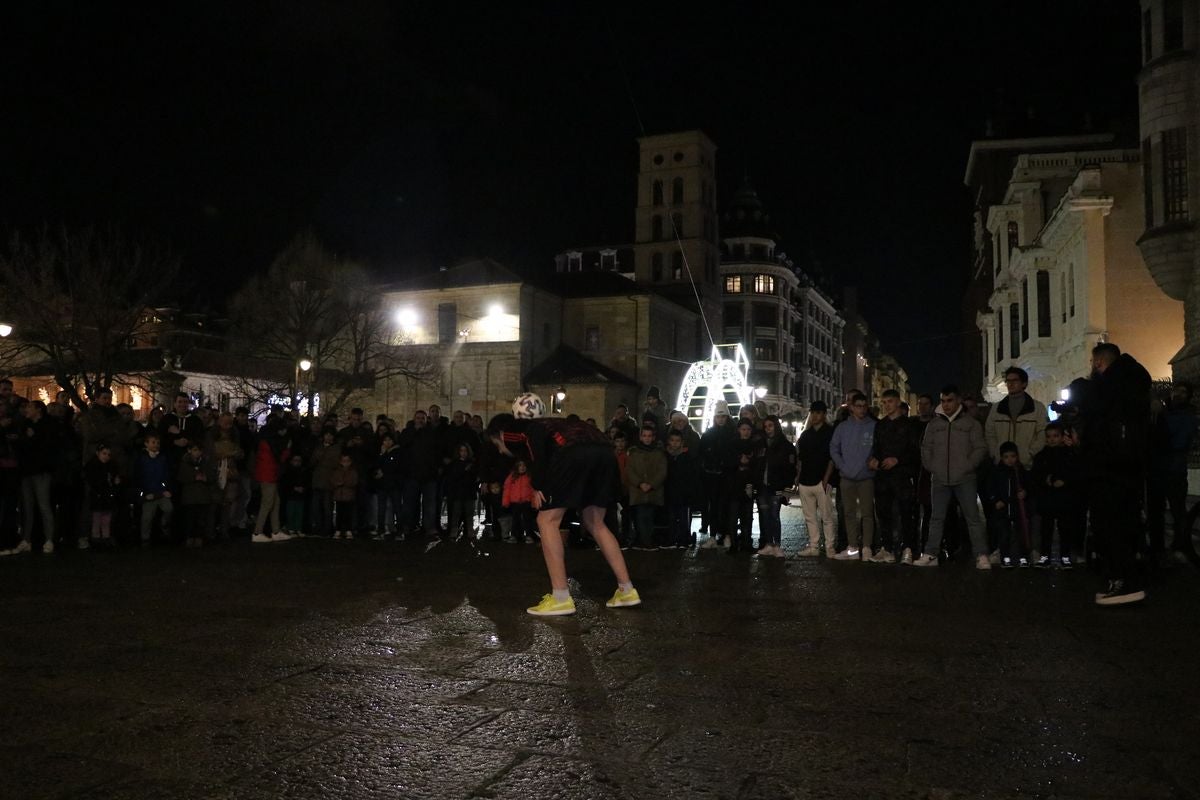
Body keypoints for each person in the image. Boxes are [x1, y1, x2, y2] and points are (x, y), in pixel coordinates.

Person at [487, 393, 640, 616]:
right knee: (595, 522)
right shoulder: (555, 423)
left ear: (499, 434)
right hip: (603, 452)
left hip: (573, 453)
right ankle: (627, 590)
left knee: (546, 520)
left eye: (497, 445)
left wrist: (539, 486)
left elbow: (534, 441)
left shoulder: (514, 430)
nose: (501, 450)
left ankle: (560, 597)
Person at [1081, 343, 1152, 605]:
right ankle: (1127, 577)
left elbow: (1099, 423)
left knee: (1112, 526)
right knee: (1125, 523)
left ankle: (1122, 581)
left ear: (1100, 363)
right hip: (1126, 468)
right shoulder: (1133, 384)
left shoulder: (1109, 388)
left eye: (1093, 363)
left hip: (1110, 469)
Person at [913, 386, 990, 570]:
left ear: (958, 401)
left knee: (972, 518)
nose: (946, 405)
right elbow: (926, 447)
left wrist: (967, 466)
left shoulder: (971, 424)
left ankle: (981, 555)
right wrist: (932, 467)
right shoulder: (934, 425)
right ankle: (932, 554)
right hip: (939, 478)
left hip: (965, 478)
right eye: (943, 401)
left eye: (949, 400)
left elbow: (980, 448)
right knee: (936, 518)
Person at [1147, 383, 1199, 566]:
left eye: (1184, 392)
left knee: (1177, 510)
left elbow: (1176, 440)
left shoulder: (1186, 417)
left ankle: (1179, 545)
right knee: (1156, 510)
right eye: (1177, 390)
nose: (1178, 394)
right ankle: (1158, 548)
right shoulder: (1161, 410)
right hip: (1158, 467)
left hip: (1174, 469)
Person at [869, 389, 920, 564]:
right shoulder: (880, 425)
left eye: (889, 401)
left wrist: (897, 460)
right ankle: (887, 548)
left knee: (907, 513)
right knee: (883, 514)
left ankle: (908, 549)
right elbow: (875, 447)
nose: (886, 405)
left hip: (902, 476)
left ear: (898, 402)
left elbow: (915, 451)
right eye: (883, 402)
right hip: (883, 477)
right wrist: (874, 460)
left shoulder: (909, 425)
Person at [829, 391, 876, 561]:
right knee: (848, 513)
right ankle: (853, 547)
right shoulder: (842, 427)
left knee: (867, 513)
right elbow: (834, 448)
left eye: (864, 406)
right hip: (846, 477)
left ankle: (867, 547)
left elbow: (878, 448)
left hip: (866, 476)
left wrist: (874, 461)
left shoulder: (873, 426)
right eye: (858, 406)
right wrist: (842, 465)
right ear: (851, 408)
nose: (862, 409)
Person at [1031, 421, 1082, 569]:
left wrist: (1062, 480)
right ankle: (1047, 556)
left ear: (1061, 437)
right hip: (1050, 498)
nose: (1052, 439)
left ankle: (1063, 556)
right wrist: (1049, 480)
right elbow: (1037, 475)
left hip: (1062, 498)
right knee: (1046, 530)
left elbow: (1073, 472)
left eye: (1055, 436)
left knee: (1064, 529)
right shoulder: (1042, 456)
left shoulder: (1068, 454)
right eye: (1049, 436)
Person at [795, 401, 836, 558]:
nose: (814, 416)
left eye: (818, 413)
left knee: (827, 516)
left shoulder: (830, 433)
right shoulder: (806, 434)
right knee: (810, 516)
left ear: (824, 415)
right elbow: (801, 459)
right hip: (806, 479)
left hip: (821, 480)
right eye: (813, 413)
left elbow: (831, 458)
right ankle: (814, 546)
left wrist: (826, 479)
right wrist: (798, 478)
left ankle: (830, 546)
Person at [986, 441, 1031, 568]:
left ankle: (1023, 557)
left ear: (1017, 456)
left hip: (1018, 509)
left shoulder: (1020, 471)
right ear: (1001, 458)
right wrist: (995, 500)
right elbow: (990, 487)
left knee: (1021, 533)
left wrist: (1025, 493)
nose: (1010, 460)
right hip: (1003, 510)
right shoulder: (997, 472)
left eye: (1012, 456)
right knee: (1004, 535)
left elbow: (1028, 485)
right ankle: (1005, 557)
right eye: (1006, 457)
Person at [756, 415, 795, 558]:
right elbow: (756, 465)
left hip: (776, 485)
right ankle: (768, 544)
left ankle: (777, 545)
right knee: (765, 516)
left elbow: (790, 469)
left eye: (770, 426)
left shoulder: (785, 445)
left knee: (774, 515)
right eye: (766, 427)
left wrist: (787, 488)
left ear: (776, 426)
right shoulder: (761, 444)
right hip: (763, 486)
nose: (768, 429)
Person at [698, 400, 736, 549]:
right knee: (713, 507)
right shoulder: (709, 434)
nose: (720, 419)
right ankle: (714, 535)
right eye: (718, 417)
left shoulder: (732, 434)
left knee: (725, 506)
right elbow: (702, 454)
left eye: (723, 417)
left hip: (726, 475)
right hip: (712, 476)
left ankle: (725, 534)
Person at [625, 423, 667, 550]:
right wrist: (639, 483)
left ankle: (646, 540)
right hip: (639, 490)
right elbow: (629, 470)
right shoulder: (634, 453)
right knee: (640, 516)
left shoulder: (659, 453)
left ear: (653, 437)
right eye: (644, 436)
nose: (647, 438)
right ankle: (643, 540)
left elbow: (662, 471)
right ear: (641, 437)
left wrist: (652, 484)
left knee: (649, 516)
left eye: (649, 436)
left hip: (653, 490)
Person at [663, 429, 701, 549]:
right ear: (669, 441)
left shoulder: (686, 457)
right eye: (672, 440)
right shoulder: (666, 456)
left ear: (682, 442)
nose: (674, 443)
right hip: (670, 491)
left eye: (677, 441)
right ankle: (673, 538)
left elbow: (691, 476)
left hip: (683, 493)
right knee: (672, 516)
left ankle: (684, 538)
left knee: (684, 516)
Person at [133, 433, 173, 545]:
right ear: (146, 444)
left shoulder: (162, 458)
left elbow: (166, 475)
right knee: (147, 517)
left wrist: (166, 488)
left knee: (169, 509)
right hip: (148, 493)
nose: (156, 445)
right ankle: (145, 537)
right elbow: (138, 477)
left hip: (160, 492)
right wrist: (144, 493)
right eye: (153, 442)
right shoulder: (141, 459)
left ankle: (164, 528)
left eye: (157, 443)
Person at [177, 443, 216, 547]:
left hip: (202, 496)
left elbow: (212, 476)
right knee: (190, 518)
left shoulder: (206, 462)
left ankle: (198, 537)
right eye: (195, 450)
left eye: (199, 450)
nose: (197, 452)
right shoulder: (184, 463)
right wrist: (194, 477)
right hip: (189, 496)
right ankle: (189, 537)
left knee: (201, 519)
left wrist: (205, 478)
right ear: (189, 450)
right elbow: (181, 477)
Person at [84, 444, 121, 549]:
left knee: (106, 519)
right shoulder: (92, 466)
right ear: (97, 453)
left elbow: (113, 480)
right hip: (98, 496)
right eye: (104, 453)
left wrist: (115, 482)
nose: (106, 456)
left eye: (108, 454)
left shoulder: (111, 466)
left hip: (107, 497)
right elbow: (93, 482)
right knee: (97, 519)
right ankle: (96, 540)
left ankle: (105, 538)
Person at [444, 443, 479, 542]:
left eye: (465, 451)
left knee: (469, 513)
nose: (463, 453)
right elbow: (453, 478)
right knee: (456, 513)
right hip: (458, 492)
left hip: (468, 492)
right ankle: (454, 532)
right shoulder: (455, 464)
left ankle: (469, 531)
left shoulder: (471, 464)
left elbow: (474, 477)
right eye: (461, 451)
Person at [502, 459, 536, 544]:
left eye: (524, 465)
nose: (522, 467)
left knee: (527, 520)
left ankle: (529, 536)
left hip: (526, 501)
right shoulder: (511, 477)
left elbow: (533, 490)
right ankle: (514, 536)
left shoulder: (529, 476)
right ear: (516, 467)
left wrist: (534, 502)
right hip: (515, 502)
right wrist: (506, 501)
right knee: (515, 520)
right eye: (520, 465)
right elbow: (507, 489)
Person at [279, 454, 309, 536]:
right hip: (291, 496)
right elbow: (286, 483)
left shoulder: (303, 471)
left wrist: (303, 488)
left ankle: (298, 528)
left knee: (299, 513)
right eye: (295, 460)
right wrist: (294, 488)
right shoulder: (288, 471)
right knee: (291, 512)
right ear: (291, 461)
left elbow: (307, 482)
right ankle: (291, 528)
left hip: (300, 496)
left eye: (299, 460)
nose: (297, 462)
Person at [331, 451, 359, 539]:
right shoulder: (336, 471)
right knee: (339, 514)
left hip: (348, 496)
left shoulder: (353, 471)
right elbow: (333, 481)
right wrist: (339, 483)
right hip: (339, 496)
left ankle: (348, 530)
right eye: (344, 461)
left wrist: (343, 483)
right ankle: (338, 530)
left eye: (347, 461)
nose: (345, 463)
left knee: (348, 514)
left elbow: (354, 481)